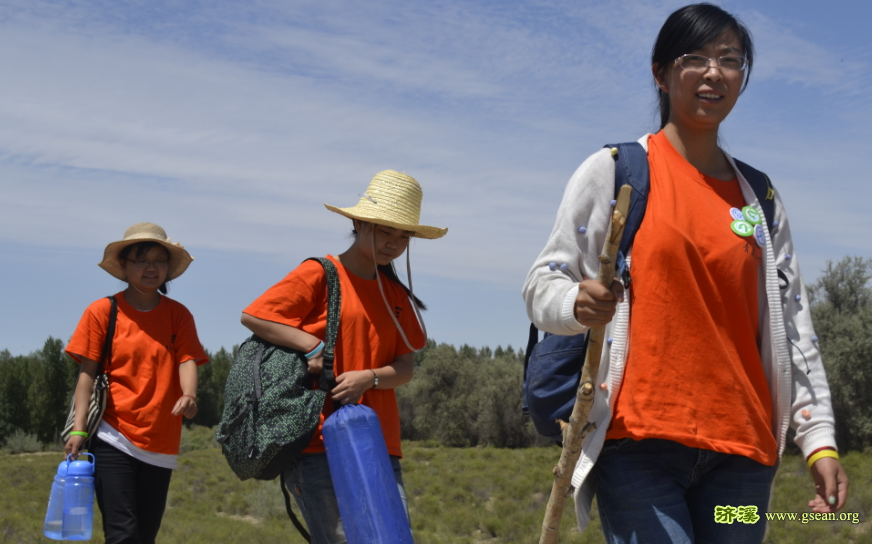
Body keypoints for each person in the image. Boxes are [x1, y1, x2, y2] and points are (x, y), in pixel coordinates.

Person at [522, 4, 848, 543]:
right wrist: (575, 304)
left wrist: (820, 440)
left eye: (731, 60)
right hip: (637, 447)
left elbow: (794, 325)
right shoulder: (617, 170)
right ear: (661, 72)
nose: (714, 72)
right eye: (695, 58)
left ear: (743, 78)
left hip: (744, 459)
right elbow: (543, 282)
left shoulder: (760, 199)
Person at [240, 169, 446, 543]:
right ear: (358, 222)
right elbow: (254, 316)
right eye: (386, 230)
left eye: (404, 235)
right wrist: (312, 346)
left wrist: (370, 378)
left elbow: (405, 368)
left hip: (379, 443)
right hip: (318, 441)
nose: (395, 243)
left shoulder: (395, 294)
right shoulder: (319, 273)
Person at [65, 222, 209, 544]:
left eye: (159, 261)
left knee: (145, 535)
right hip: (112, 436)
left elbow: (187, 359)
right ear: (125, 266)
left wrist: (189, 394)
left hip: (161, 442)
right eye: (142, 260)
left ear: (168, 269)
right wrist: (78, 429)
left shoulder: (179, 315)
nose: (150, 268)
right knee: (122, 534)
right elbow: (86, 374)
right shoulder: (103, 311)